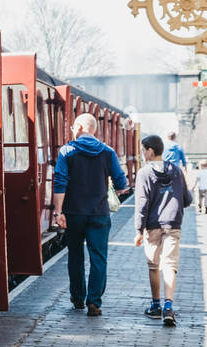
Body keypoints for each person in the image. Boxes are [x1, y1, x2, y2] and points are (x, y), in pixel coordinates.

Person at [53, 113, 129, 316]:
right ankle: (94, 302)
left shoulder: (67, 151)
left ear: (78, 127)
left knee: (75, 256)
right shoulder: (107, 152)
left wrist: (58, 211)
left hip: (73, 214)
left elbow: (60, 181)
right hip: (99, 214)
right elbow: (122, 184)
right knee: (99, 258)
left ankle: (78, 298)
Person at [134, 135, 193, 327]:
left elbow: (142, 204)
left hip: (152, 224)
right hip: (173, 223)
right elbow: (187, 199)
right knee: (169, 264)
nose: (142, 155)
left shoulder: (144, 173)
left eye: (143, 151)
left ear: (150, 151)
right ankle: (169, 306)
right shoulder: (175, 170)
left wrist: (138, 230)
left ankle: (155, 305)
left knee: (154, 265)